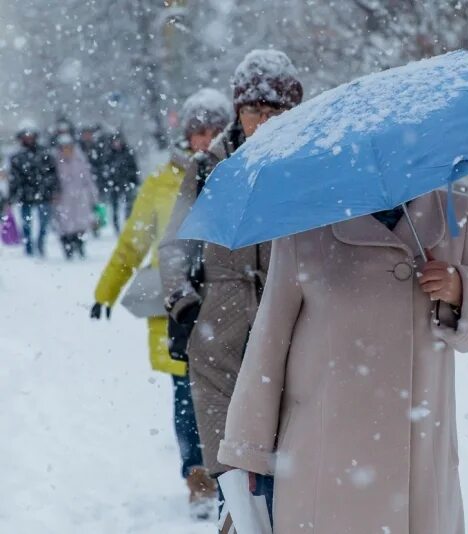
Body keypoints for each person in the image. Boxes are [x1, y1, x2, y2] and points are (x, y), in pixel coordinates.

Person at [216, 190, 468, 533]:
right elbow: (268, 344)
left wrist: (461, 289)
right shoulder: (305, 224)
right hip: (323, 457)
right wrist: (246, 453)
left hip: (421, 462)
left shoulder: (457, 215)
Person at [159, 49, 303, 529]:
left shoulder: (307, 165)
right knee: (231, 469)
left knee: (290, 464)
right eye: (253, 111)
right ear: (238, 111)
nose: (263, 123)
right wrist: (184, 303)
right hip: (220, 329)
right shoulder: (207, 168)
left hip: (292, 324)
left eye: (274, 112)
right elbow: (175, 243)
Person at [90, 88, 231, 519]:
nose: (204, 139)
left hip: (227, 309)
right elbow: (133, 243)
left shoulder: (239, 174)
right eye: (197, 130)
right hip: (179, 311)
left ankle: (231, 479)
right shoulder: (161, 183)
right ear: (186, 133)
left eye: (213, 130)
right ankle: (198, 479)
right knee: (187, 402)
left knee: (226, 399)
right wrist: (105, 292)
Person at [8, 121, 59, 257]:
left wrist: (54, 190)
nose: (28, 138)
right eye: (26, 136)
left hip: (44, 194)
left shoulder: (45, 153)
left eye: (31, 135)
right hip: (25, 196)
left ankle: (40, 243)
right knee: (26, 224)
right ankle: (28, 246)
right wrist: (11, 197)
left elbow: (53, 174)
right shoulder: (16, 157)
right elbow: (14, 179)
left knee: (44, 223)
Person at [51, 134, 98, 259]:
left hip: (80, 197)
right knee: (64, 225)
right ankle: (68, 247)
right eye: (64, 148)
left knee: (80, 224)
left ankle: (80, 246)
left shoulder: (80, 160)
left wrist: (93, 196)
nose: (66, 150)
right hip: (63, 198)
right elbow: (52, 180)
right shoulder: (55, 162)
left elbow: (88, 179)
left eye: (69, 147)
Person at [100, 131, 139, 234]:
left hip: (127, 183)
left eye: (118, 141)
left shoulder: (128, 152)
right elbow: (105, 171)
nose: (117, 143)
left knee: (129, 206)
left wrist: (134, 181)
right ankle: (117, 227)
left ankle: (129, 223)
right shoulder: (109, 154)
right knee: (115, 207)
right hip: (114, 185)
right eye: (115, 141)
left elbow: (134, 168)